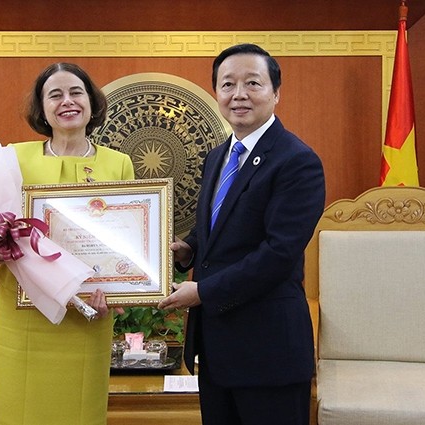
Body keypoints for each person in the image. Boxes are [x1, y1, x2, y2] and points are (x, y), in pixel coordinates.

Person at [0, 62, 135, 425]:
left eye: (76, 92)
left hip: (87, 315)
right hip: (24, 313)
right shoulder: (12, 158)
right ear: (42, 108)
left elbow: (124, 239)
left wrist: (123, 287)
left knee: (81, 411)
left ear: (92, 102)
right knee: (19, 410)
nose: (68, 101)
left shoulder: (119, 163)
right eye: (55, 94)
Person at [158, 43, 326, 425]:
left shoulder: (297, 161)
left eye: (253, 83)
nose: (239, 94)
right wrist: (189, 249)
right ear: (216, 92)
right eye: (228, 84)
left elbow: (278, 253)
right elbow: (219, 228)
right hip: (217, 349)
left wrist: (202, 291)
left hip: (269, 350)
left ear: (276, 93)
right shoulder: (218, 156)